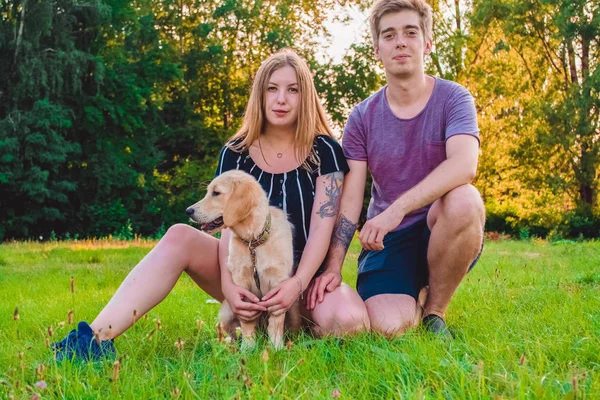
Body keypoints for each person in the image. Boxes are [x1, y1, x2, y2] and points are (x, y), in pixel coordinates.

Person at [52, 49, 370, 361]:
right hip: (246, 275)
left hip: (301, 278)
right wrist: (231, 290)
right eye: (272, 89)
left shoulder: (324, 151)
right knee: (179, 235)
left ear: (306, 96)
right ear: (260, 95)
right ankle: (92, 340)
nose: (281, 99)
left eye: (292, 90)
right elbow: (226, 229)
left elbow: (321, 231)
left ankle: (290, 328)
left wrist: (296, 285)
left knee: (352, 320)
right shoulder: (236, 152)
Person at [313, 0, 486, 337]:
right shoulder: (362, 117)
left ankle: (435, 312)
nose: (401, 42)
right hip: (388, 242)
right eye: (389, 35)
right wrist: (334, 265)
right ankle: (417, 296)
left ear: (427, 43)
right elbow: (351, 199)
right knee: (389, 328)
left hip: (442, 225)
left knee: (465, 199)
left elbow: (465, 165)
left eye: (411, 32)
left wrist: (397, 209)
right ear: (377, 49)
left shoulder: (454, 98)